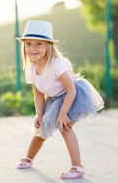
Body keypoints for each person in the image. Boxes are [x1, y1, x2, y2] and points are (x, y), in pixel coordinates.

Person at [14, 20, 104, 179]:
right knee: (41, 128)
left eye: (38, 44)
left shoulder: (56, 65)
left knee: (65, 127)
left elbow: (71, 90)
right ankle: (29, 157)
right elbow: (38, 94)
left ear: (48, 45)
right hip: (55, 99)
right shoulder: (31, 68)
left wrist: (63, 113)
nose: (33, 48)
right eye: (28, 44)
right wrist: (39, 114)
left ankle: (77, 167)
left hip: (73, 96)